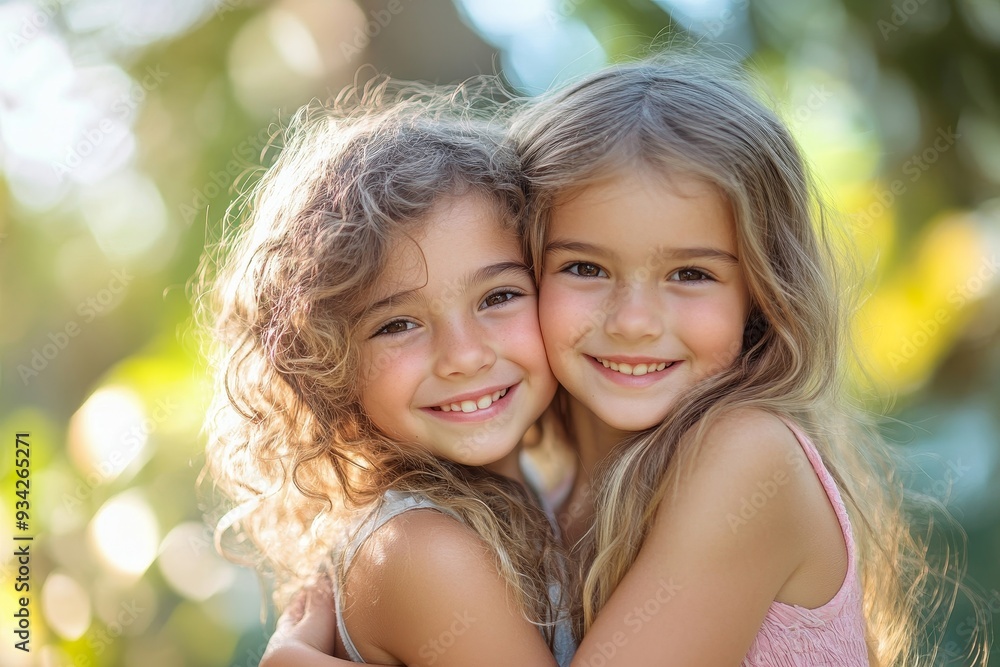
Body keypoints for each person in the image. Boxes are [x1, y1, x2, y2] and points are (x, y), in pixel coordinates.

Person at [266, 58, 979, 666]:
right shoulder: (538, 506)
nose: (635, 321)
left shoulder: (746, 455)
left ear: (760, 293)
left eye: (691, 274)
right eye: (585, 267)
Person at [201, 80, 577, 667]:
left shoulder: (532, 494)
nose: (464, 355)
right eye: (397, 325)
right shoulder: (424, 550)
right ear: (326, 365)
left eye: (498, 295)